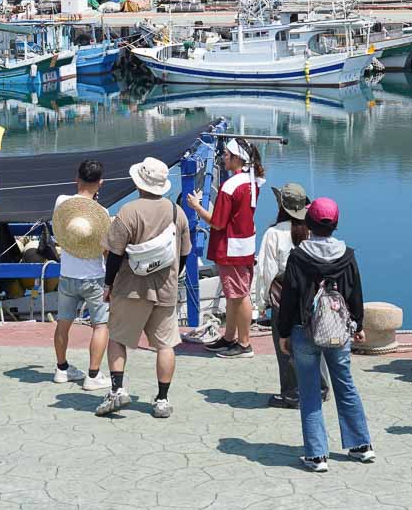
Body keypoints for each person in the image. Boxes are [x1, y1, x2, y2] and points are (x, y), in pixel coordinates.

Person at [276, 198, 375, 472]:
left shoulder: (298, 256)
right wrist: (358, 323)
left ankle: (317, 455)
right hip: (338, 330)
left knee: (309, 391)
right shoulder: (348, 255)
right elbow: (355, 292)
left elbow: (289, 298)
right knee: (345, 384)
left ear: (309, 224)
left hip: (303, 330)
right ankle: (360, 445)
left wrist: (284, 332)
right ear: (335, 224)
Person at [98, 157, 192, 419]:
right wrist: (172, 276)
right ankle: (162, 399)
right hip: (165, 288)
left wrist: (108, 284)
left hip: (130, 287)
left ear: (139, 182)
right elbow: (183, 254)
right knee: (165, 345)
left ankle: (117, 390)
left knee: (117, 338)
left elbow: (115, 255)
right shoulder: (177, 212)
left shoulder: (128, 211)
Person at [187, 138, 264, 359]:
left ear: (237, 158)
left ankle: (244, 344)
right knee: (233, 295)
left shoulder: (230, 186)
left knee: (239, 296)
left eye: (227, 155)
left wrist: (197, 207)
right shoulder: (253, 181)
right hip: (244, 244)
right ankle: (229, 338)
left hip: (231, 248)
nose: (223, 157)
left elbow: (217, 222)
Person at [257, 183, 329, 409]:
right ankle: (321, 387)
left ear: (281, 206)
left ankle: (292, 393)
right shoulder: (312, 230)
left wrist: (261, 302)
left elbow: (265, 272)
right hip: (312, 296)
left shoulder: (273, 233)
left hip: (283, 296)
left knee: (285, 345)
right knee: (315, 340)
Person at [51, 160, 112, 390]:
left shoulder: (61, 202)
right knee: (100, 325)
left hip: (67, 274)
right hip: (94, 276)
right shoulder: (103, 214)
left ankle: (61, 369)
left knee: (63, 323)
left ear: (77, 178)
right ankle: (93, 375)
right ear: (101, 183)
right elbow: (106, 249)